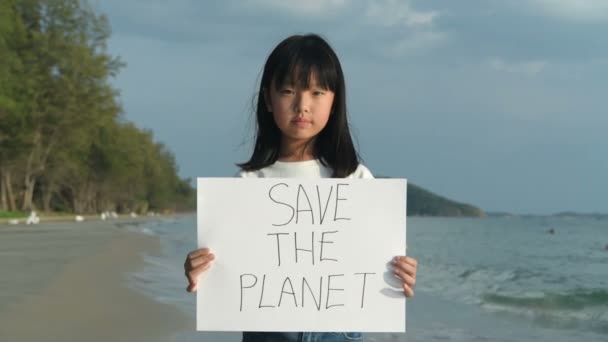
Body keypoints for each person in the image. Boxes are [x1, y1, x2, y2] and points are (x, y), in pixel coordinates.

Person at [184, 33, 418, 342]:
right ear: (268, 99)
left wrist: (400, 272)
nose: (302, 106)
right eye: (288, 91)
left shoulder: (355, 180)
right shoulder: (248, 186)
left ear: (335, 101)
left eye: (317, 92)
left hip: (338, 333)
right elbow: (227, 272)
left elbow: (372, 263)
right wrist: (199, 270)